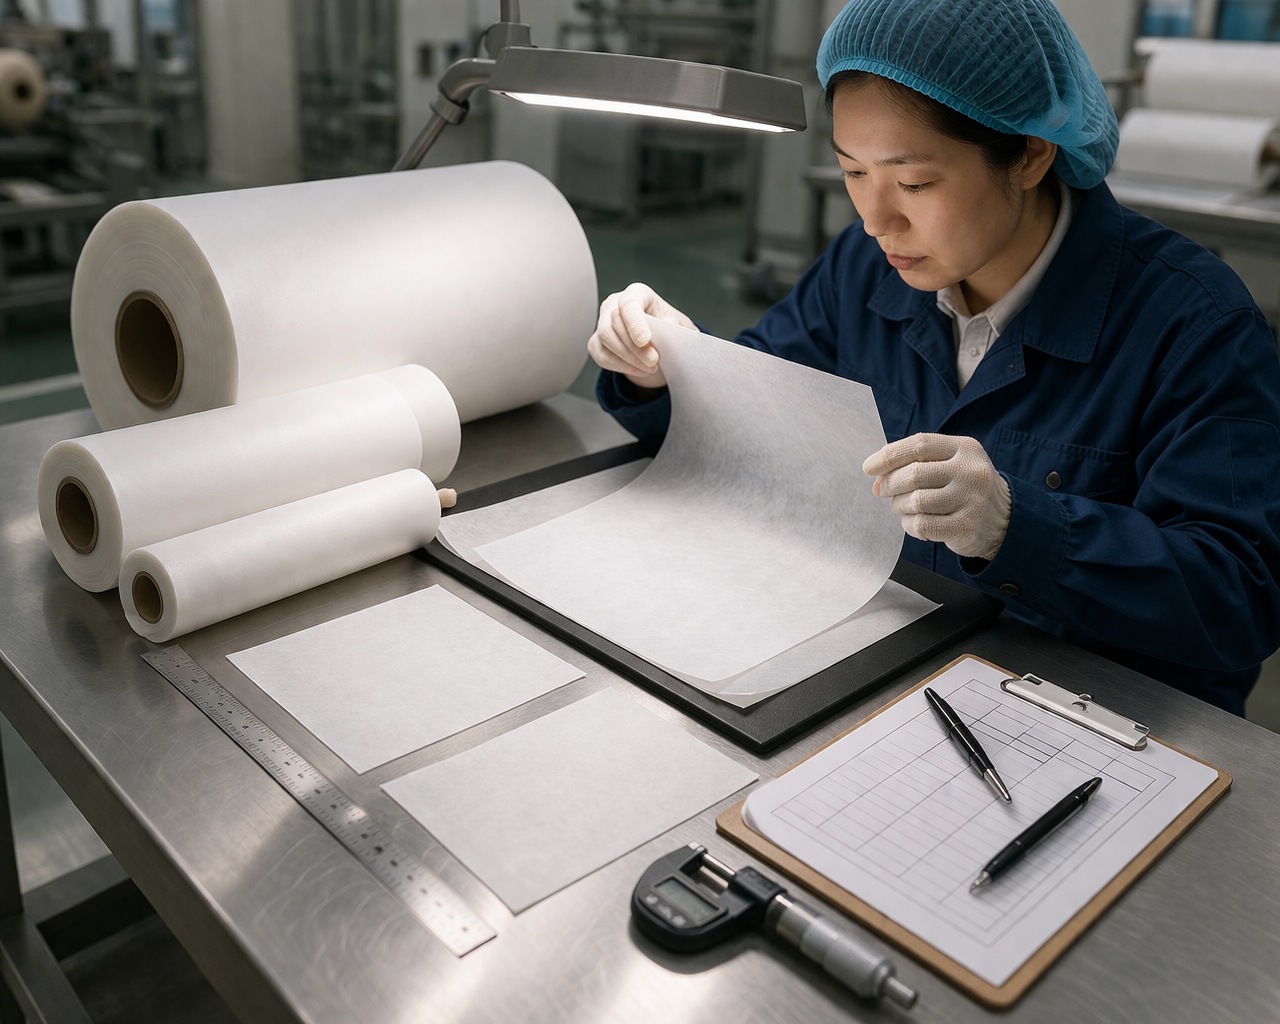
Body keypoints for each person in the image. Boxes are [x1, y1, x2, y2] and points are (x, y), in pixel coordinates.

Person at [586, 0, 1280, 715]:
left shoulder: (1194, 323)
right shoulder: (865, 270)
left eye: (914, 183)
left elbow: (1242, 595)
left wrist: (1015, 526)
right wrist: (669, 370)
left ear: (1030, 154)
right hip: (894, 668)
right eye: (853, 172)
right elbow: (755, 416)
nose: (875, 219)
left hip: (1093, 720)